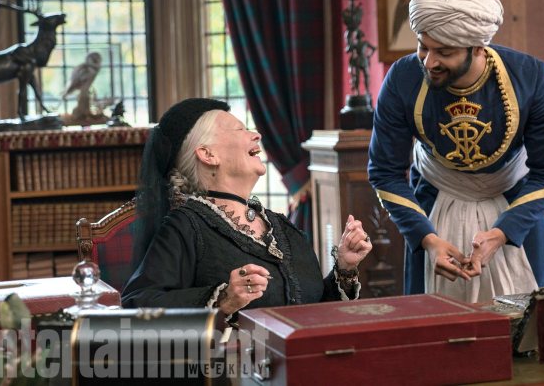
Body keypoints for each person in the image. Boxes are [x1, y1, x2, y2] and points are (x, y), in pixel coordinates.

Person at [368, 0, 544, 303]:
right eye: (423, 47)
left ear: (477, 46)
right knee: (434, 332)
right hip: (431, 211)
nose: (429, 61)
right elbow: (385, 172)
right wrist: (429, 241)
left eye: (444, 52)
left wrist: (502, 233)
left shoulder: (531, 77)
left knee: (534, 331)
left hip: (516, 215)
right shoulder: (403, 78)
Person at [122, 98, 371, 317]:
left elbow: (313, 313)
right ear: (208, 155)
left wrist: (344, 268)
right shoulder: (186, 226)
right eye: (240, 129)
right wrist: (224, 299)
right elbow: (138, 304)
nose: (256, 135)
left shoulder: (281, 227)